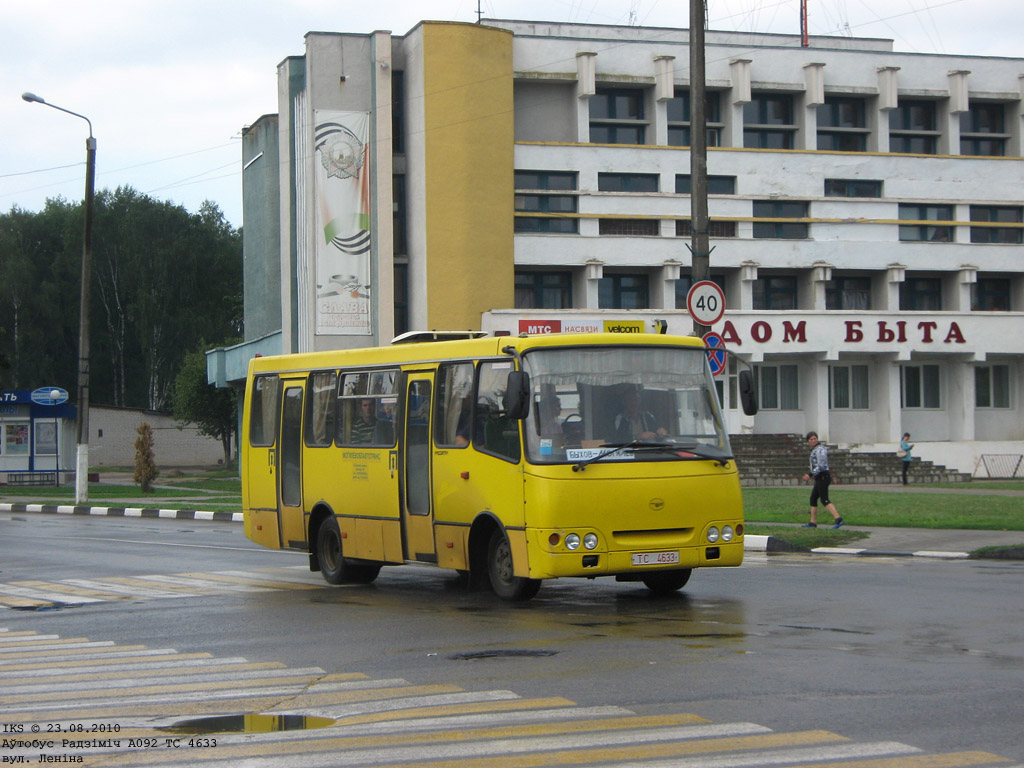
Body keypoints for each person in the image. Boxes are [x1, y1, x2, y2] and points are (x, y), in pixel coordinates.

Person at [800, 431, 844, 528]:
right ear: (808, 441)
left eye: (815, 438)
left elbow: (821, 465)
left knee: (824, 499)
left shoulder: (820, 449)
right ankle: (813, 522)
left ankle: (838, 518)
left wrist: (810, 474)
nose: (813, 440)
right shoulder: (815, 450)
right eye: (811, 439)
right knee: (813, 499)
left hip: (823, 476)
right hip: (819, 477)